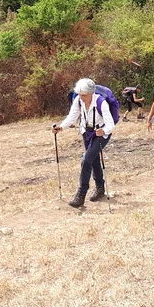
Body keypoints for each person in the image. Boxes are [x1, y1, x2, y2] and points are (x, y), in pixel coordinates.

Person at [53, 78, 116, 209]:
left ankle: (81, 194)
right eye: (80, 94)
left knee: (86, 160)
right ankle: (100, 188)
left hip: (101, 134)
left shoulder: (101, 102)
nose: (81, 97)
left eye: (84, 95)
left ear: (91, 93)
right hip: (86, 133)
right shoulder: (78, 100)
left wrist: (103, 130)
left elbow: (110, 124)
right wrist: (61, 127)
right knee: (93, 161)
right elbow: (72, 116)